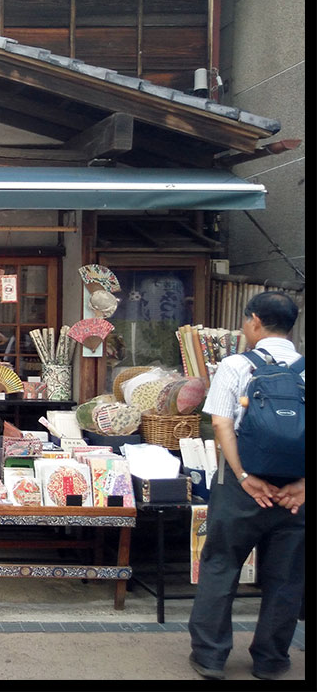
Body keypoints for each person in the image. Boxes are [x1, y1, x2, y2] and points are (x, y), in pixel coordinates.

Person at [188, 292, 305, 681]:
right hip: (295, 493)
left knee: (221, 565)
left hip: (242, 487)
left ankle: (210, 657)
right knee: (287, 577)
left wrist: (243, 477)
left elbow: (222, 425)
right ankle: (271, 661)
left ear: (255, 321)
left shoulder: (237, 364)